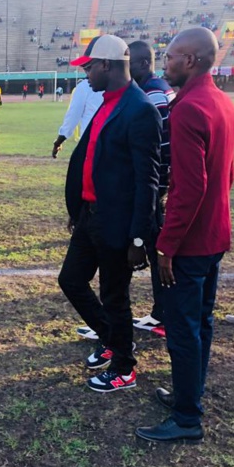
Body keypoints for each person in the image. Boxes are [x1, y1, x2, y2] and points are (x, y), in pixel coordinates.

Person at [136, 28, 234, 443]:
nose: (166, 63)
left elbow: (188, 188)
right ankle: (187, 394)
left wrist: (167, 246)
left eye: (173, 56)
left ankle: (187, 418)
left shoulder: (189, 108)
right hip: (215, 234)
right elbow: (227, 173)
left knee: (181, 328)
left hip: (191, 243)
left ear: (191, 60)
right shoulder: (223, 103)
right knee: (202, 321)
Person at [58, 35, 162, 393]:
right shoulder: (105, 101)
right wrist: (78, 207)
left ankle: (124, 367)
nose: (85, 75)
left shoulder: (140, 109)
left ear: (107, 65)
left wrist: (138, 239)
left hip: (117, 225)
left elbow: (147, 181)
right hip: (90, 216)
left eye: (89, 67)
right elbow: (89, 158)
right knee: (70, 280)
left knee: (114, 296)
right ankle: (114, 339)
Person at [128, 40, 176, 335]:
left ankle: (164, 313)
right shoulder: (155, 89)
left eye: (130, 63)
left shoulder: (154, 93)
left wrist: (156, 186)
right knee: (153, 244)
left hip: (153, 185)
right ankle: (162, 311)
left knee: (153, 245)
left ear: (144, 63)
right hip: (156, 184)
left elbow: (161, 147)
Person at [52, 42, 104, 158]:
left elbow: (72, 118)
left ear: (104, 64)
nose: (86, 73)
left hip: (92, 147)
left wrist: (58, 141)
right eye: (85, 69)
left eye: (89, 68)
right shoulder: (127, 88)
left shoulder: (85, 86)